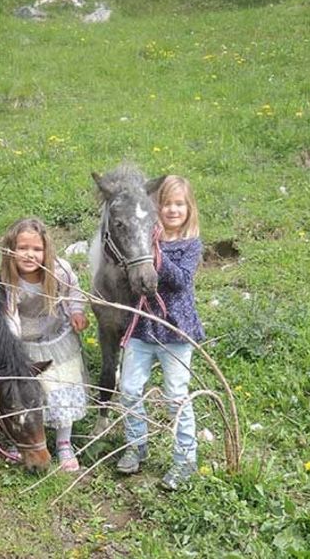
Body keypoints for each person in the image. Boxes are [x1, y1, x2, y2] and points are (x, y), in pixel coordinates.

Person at [115, 175, 205, 491]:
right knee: (128, 388)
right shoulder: (144, 238)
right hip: (141, 327)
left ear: (189, 208)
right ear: (156, 208)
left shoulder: (191, 245)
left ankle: (185, 461)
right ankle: (136, 445)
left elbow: (180, 280)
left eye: (179, 204)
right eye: (166, 204)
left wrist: (155, 253)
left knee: (176, 397)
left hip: (175, 331)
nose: (172, 210)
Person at [0, 217, 90, 472]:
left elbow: (73, 291)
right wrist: (14, 347)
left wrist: (76, 311)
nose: (30, 255)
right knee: (26, 396)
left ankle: (64, 442)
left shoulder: (59, 270)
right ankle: (21, 440)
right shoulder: (9, 280)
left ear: (46, 250)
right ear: (11, 250)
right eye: (23, 248)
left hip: (56, 337)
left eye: (37, 249)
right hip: (25, 341)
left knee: (62, 388)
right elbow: (10, 316)